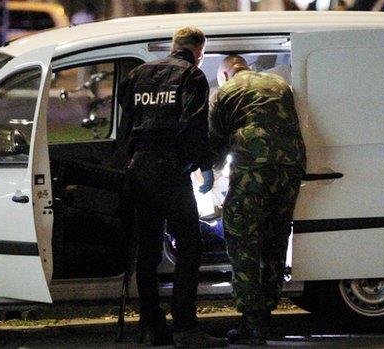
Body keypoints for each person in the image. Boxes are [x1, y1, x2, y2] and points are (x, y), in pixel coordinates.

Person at [116, 27, 225, 348]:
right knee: (190, 246)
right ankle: (186, 328)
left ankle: (153, 328)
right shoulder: (191, 76)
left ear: (173, 46)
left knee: (147, 253)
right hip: (170, 171)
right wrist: (205, 168)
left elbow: (128, 119)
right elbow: (194, 125)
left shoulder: (138, 74)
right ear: (199, 52)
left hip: (138, 169)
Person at [207, 55, 306, 345]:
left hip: (254, 168)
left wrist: (208, 177)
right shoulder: (279, 83)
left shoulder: (225, 92)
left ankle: (252, 323)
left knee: (244, 242)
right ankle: (268, 311)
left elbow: (216, 144)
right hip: (290, 167)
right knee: (275, 240)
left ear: (225, 73)